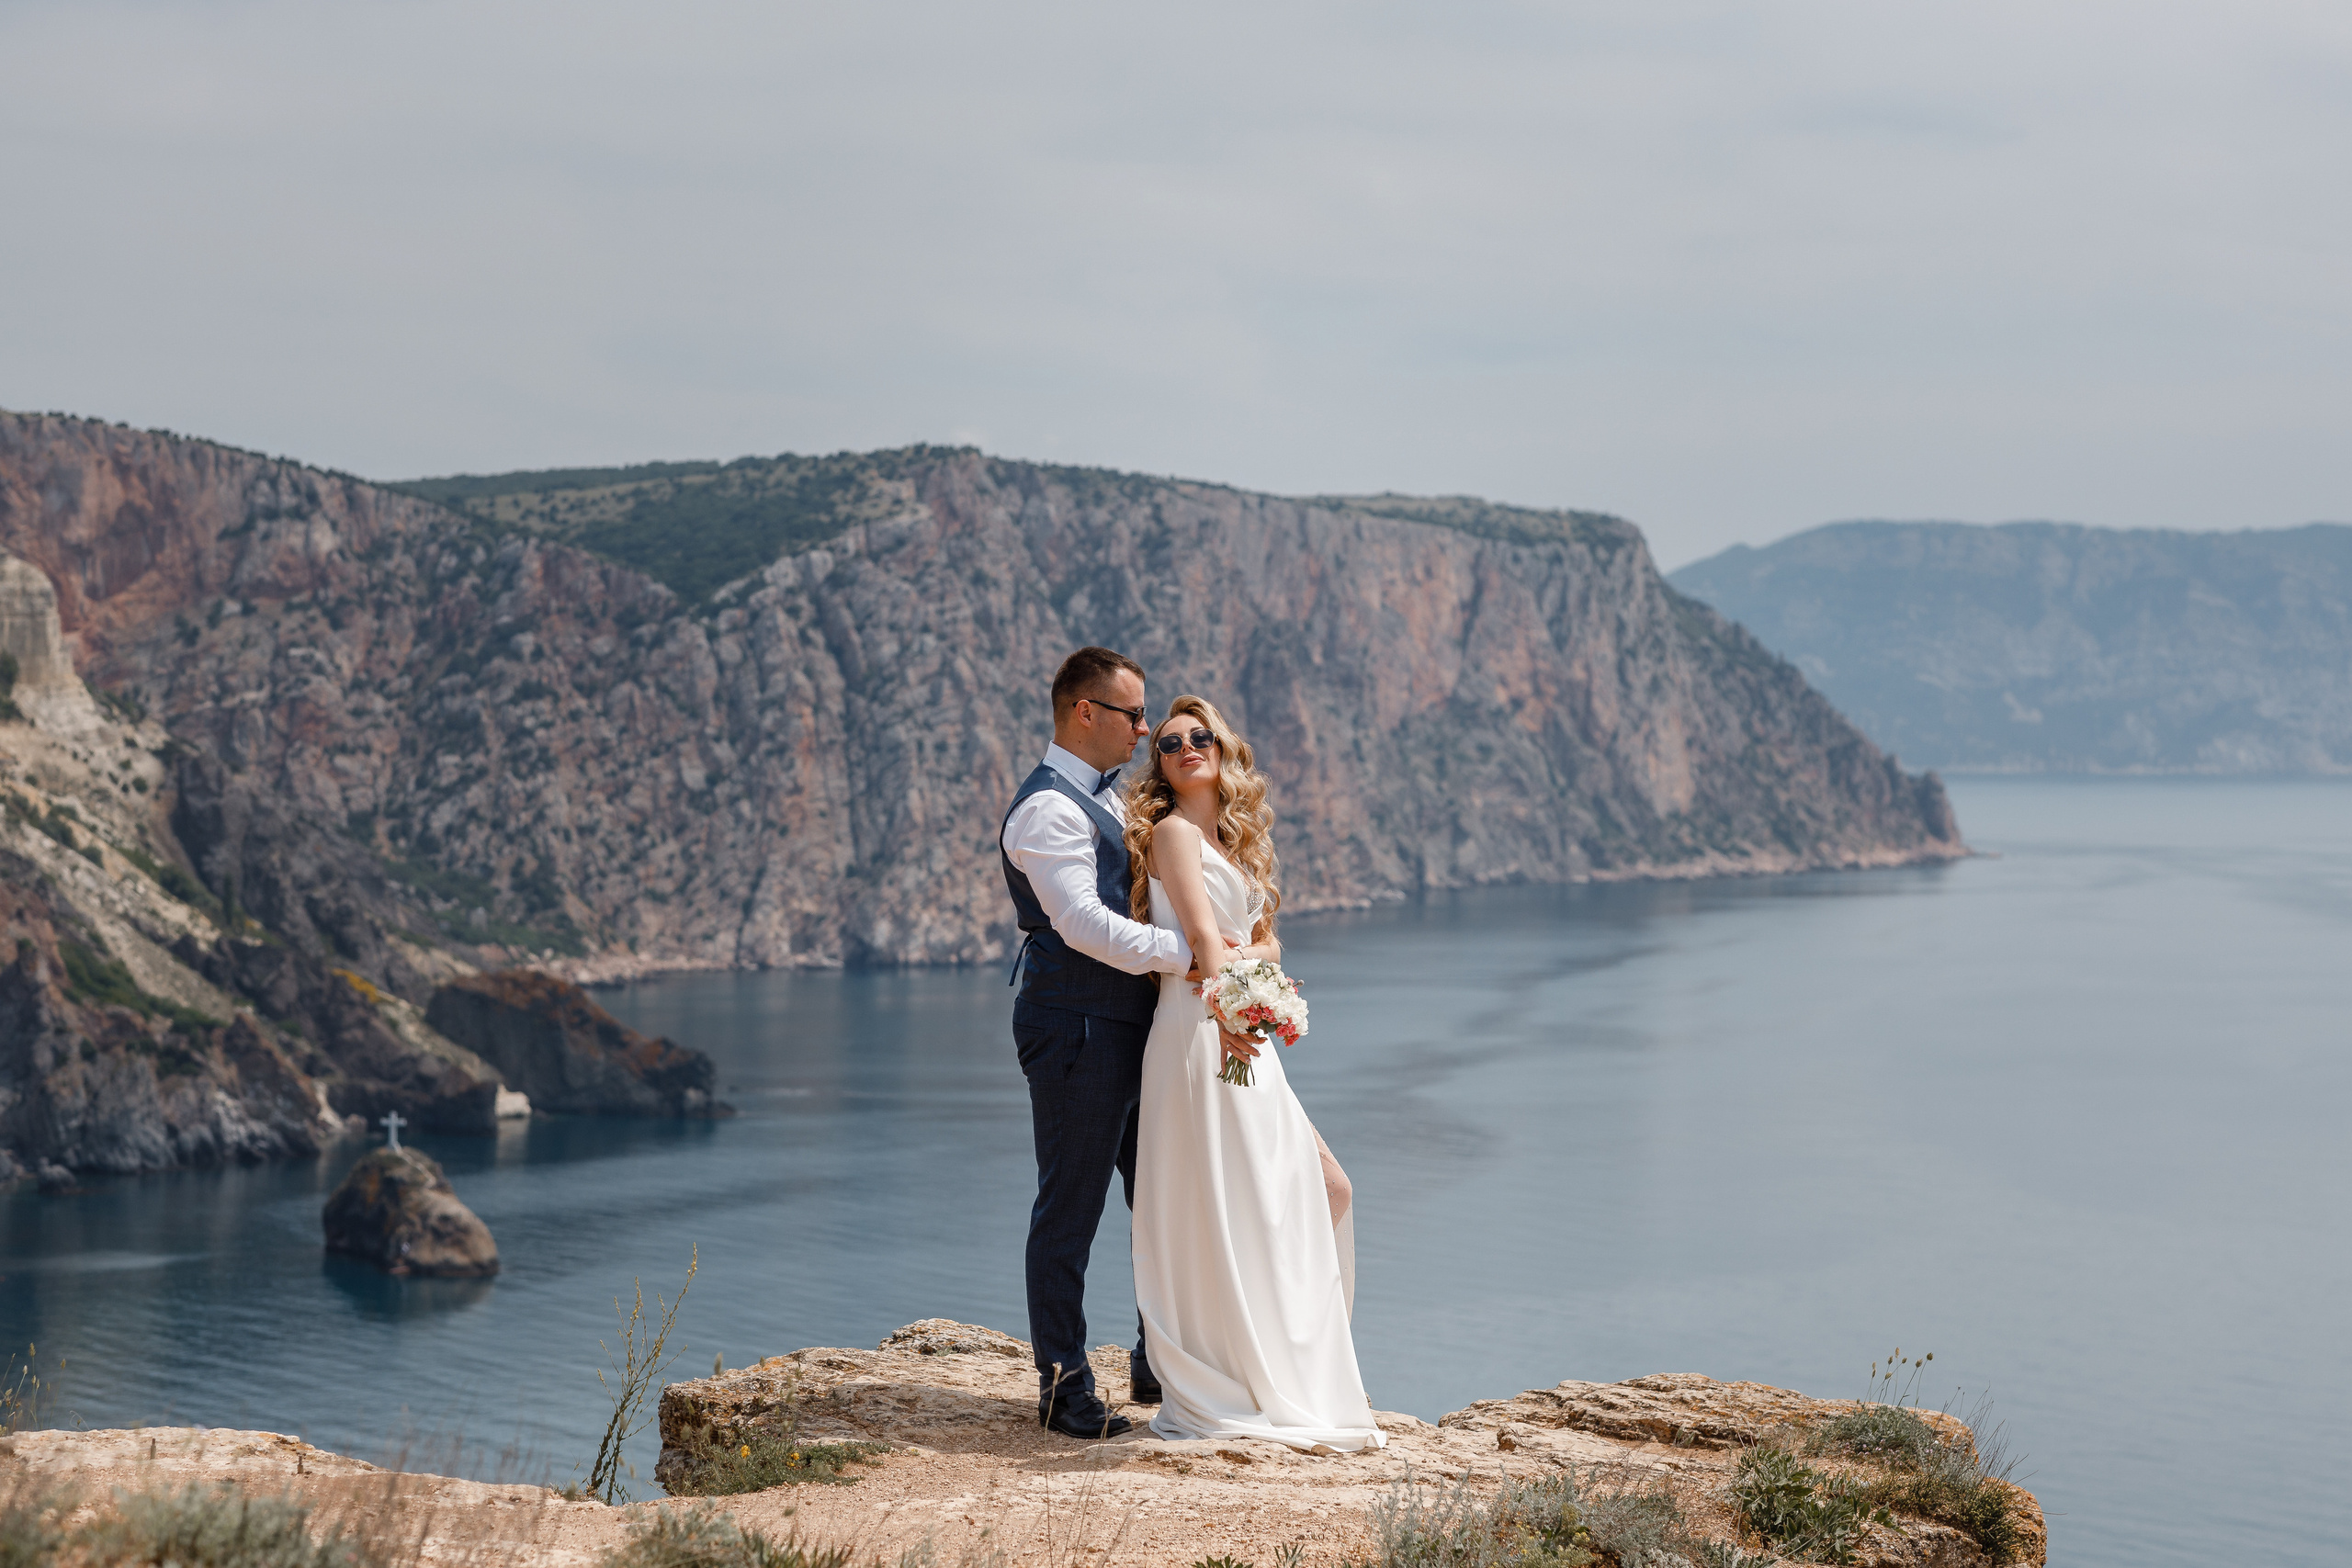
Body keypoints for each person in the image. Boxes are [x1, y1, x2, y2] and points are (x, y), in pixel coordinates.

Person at [999, 649, 1279, 1438]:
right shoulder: (1047, 809)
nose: (1145, 728)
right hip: (1076, 1026)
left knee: (1159, 1191)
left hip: (1136, 1029)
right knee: (1071, 1206)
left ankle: (1158, 1359)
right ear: (1085, 712)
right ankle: (1064, 1391)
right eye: (1134, 715)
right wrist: (1191, 957)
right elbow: (1082, 924)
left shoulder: (1109, 798)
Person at [1124, 695, 1385, 1452]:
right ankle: (1246, 1373)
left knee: (1320, 1188)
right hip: (1204, 1030)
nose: (1185, 746)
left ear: (1222, 748)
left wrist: (1250, 971)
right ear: (1161, 765)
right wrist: (1237, 997)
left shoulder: (1231, 844)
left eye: (1200, 735)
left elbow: (1262, 942)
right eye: (1169, 742)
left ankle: (1291, 1363)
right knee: (1234, 1201)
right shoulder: (1173, 833)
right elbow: (1207, 941)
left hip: (1235, 1025)